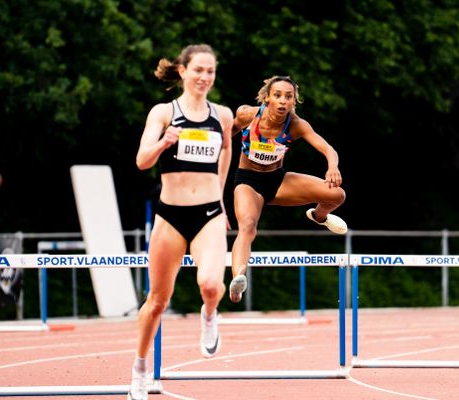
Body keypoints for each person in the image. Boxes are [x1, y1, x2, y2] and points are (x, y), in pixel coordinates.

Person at [128, 44, 233, 400]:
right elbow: (142, 160)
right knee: (157, 300)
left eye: (210, 72)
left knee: (210, 284)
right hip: (170, 215)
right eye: (199, 70)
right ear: (183, 71)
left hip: (208, 215)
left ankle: (209, 314)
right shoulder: (163, 112)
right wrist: (163, 142)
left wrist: (220, 193)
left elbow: (227, 152)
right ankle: (139, 371)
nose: (205, 77)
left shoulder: (223, 116)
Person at [228, 75, 347, 303]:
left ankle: (319, 216)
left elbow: (328, 148)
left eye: (288, 97)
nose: (283, 101)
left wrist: (333, 167)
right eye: (278, 95)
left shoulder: (296, 125)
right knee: (248, 227)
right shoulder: (247, 115)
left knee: (337, 194)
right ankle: (238, 280)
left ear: (294, 101)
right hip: (248, 182)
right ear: (267, 98)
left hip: (278, 181)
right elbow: (227, 133)